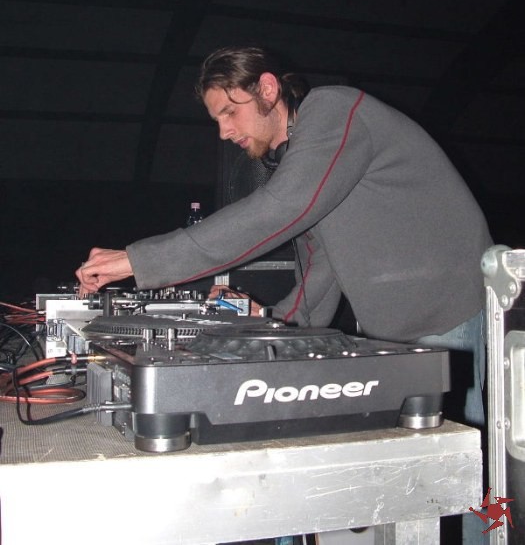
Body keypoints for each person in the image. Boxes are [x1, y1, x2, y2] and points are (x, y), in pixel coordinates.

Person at [76, 45, 492, 430]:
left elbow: (279, 208)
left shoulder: (334, 109)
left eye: (229, 112)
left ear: (267, 89)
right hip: (395, 328)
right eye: (217, 120)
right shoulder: (307, 158)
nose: (224, 132)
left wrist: (138, 260)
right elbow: (321, 265)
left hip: (447, 312)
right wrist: (274, 322)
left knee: (461, 452)